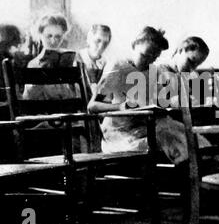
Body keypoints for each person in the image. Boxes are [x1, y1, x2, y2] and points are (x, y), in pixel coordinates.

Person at [88, 27, 210, 165]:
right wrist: (121, 106)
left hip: (144, 128)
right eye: (145, 55)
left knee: (193, 139)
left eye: (154, 58)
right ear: (134, 45)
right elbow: (93, 106)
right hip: (120, 135)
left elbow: (155, 102)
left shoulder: (152, 71)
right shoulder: (118, 67)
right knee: (171, 141)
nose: (148, 61)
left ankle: (192, 180)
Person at [22, 13, 79, 100]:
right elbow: (28, 98)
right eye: (49, 36)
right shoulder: (33, 64)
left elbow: (76, 95)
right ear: (40, 35)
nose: (53, 41)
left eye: (58, 37)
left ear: (63, 36)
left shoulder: (69, 60)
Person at [79, 24, 111, 95]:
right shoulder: (78, 57)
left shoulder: (104, 62)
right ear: (89, 39)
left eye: (105, 43)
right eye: (98, 41)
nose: (101, 47)